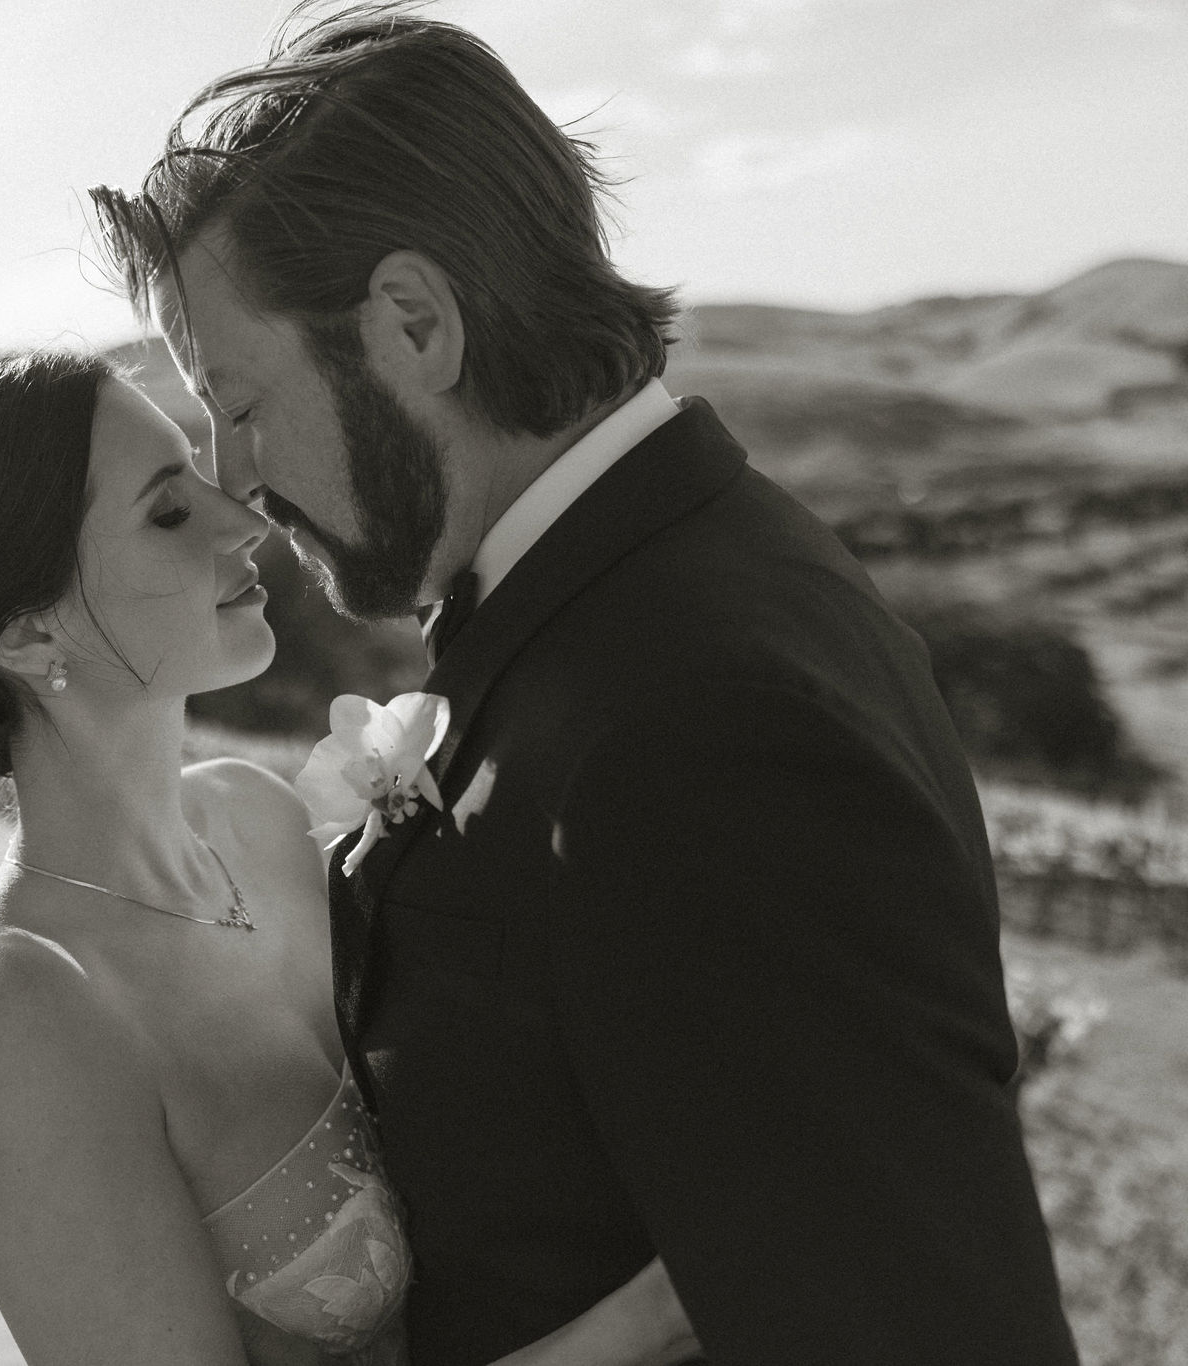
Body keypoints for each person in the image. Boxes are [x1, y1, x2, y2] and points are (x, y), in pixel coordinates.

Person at [86, 6, 1080, 1364]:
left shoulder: (711, 714)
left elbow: (903, 1316)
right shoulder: (620, 608)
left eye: (242, 402)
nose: (240, 483)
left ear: (414, 324)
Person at [0, 349, 700, 1364]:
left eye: (197, 473)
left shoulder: (254, 819)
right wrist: (647, 1317)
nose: (243, 522)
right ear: (25, 633)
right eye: (166, 511)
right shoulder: (21, 1026)